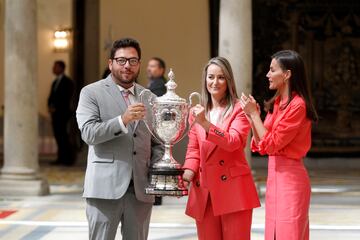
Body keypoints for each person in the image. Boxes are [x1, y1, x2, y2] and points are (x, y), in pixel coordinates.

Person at [76, 38, 164, 240]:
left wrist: (159, 169)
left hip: (140, 190)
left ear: (139, 64)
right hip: (104, 190)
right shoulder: (91, 93)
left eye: (133, 61)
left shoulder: (148, 97)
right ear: (111, 63)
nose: (127, 66)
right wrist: (122, 120)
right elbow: (89, 133)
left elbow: (157, 142)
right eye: (121, 60)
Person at [240, 50, 318, 240]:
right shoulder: (278, 103)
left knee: (289, 234)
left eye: (272, 70)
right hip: (274, 179)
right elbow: (262, 145)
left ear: (287, 74)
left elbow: (272, 144)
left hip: (291, 180)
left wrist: (255, 116)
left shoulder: (297, 105)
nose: (267, 74)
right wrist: (252, 117)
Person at [182, 57, 260, 240]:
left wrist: (206, 124)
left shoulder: (240, 109)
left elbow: (234, 142)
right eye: (211, 77)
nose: (214, 82)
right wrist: (188, 171)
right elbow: (193, 148)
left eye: (221, 77)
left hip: (233, 189)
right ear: (205, 79)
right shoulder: (197, 112)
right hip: (204, 190)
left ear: (229, 81)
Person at [48, 60, 75, 166]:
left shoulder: (68, 82)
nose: (53, 69)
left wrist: (57, 108)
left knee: (64, 136)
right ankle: (60, 158)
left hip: (63, 114)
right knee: (58, 136)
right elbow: (52, 97)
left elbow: (66, 98)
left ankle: (67, 159)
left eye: (55, 66)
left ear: (61, 68)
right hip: (55, 115)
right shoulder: (55, 82)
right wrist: (50, 107)